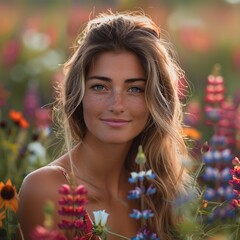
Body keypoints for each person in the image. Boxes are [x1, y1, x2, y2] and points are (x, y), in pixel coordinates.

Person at [17, 10, 193, 240]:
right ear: (78, 95)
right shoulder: (48, 189)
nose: (117, 105)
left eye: (135, 89)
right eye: (100, 86)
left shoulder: (159, 194)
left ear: (156, 101)